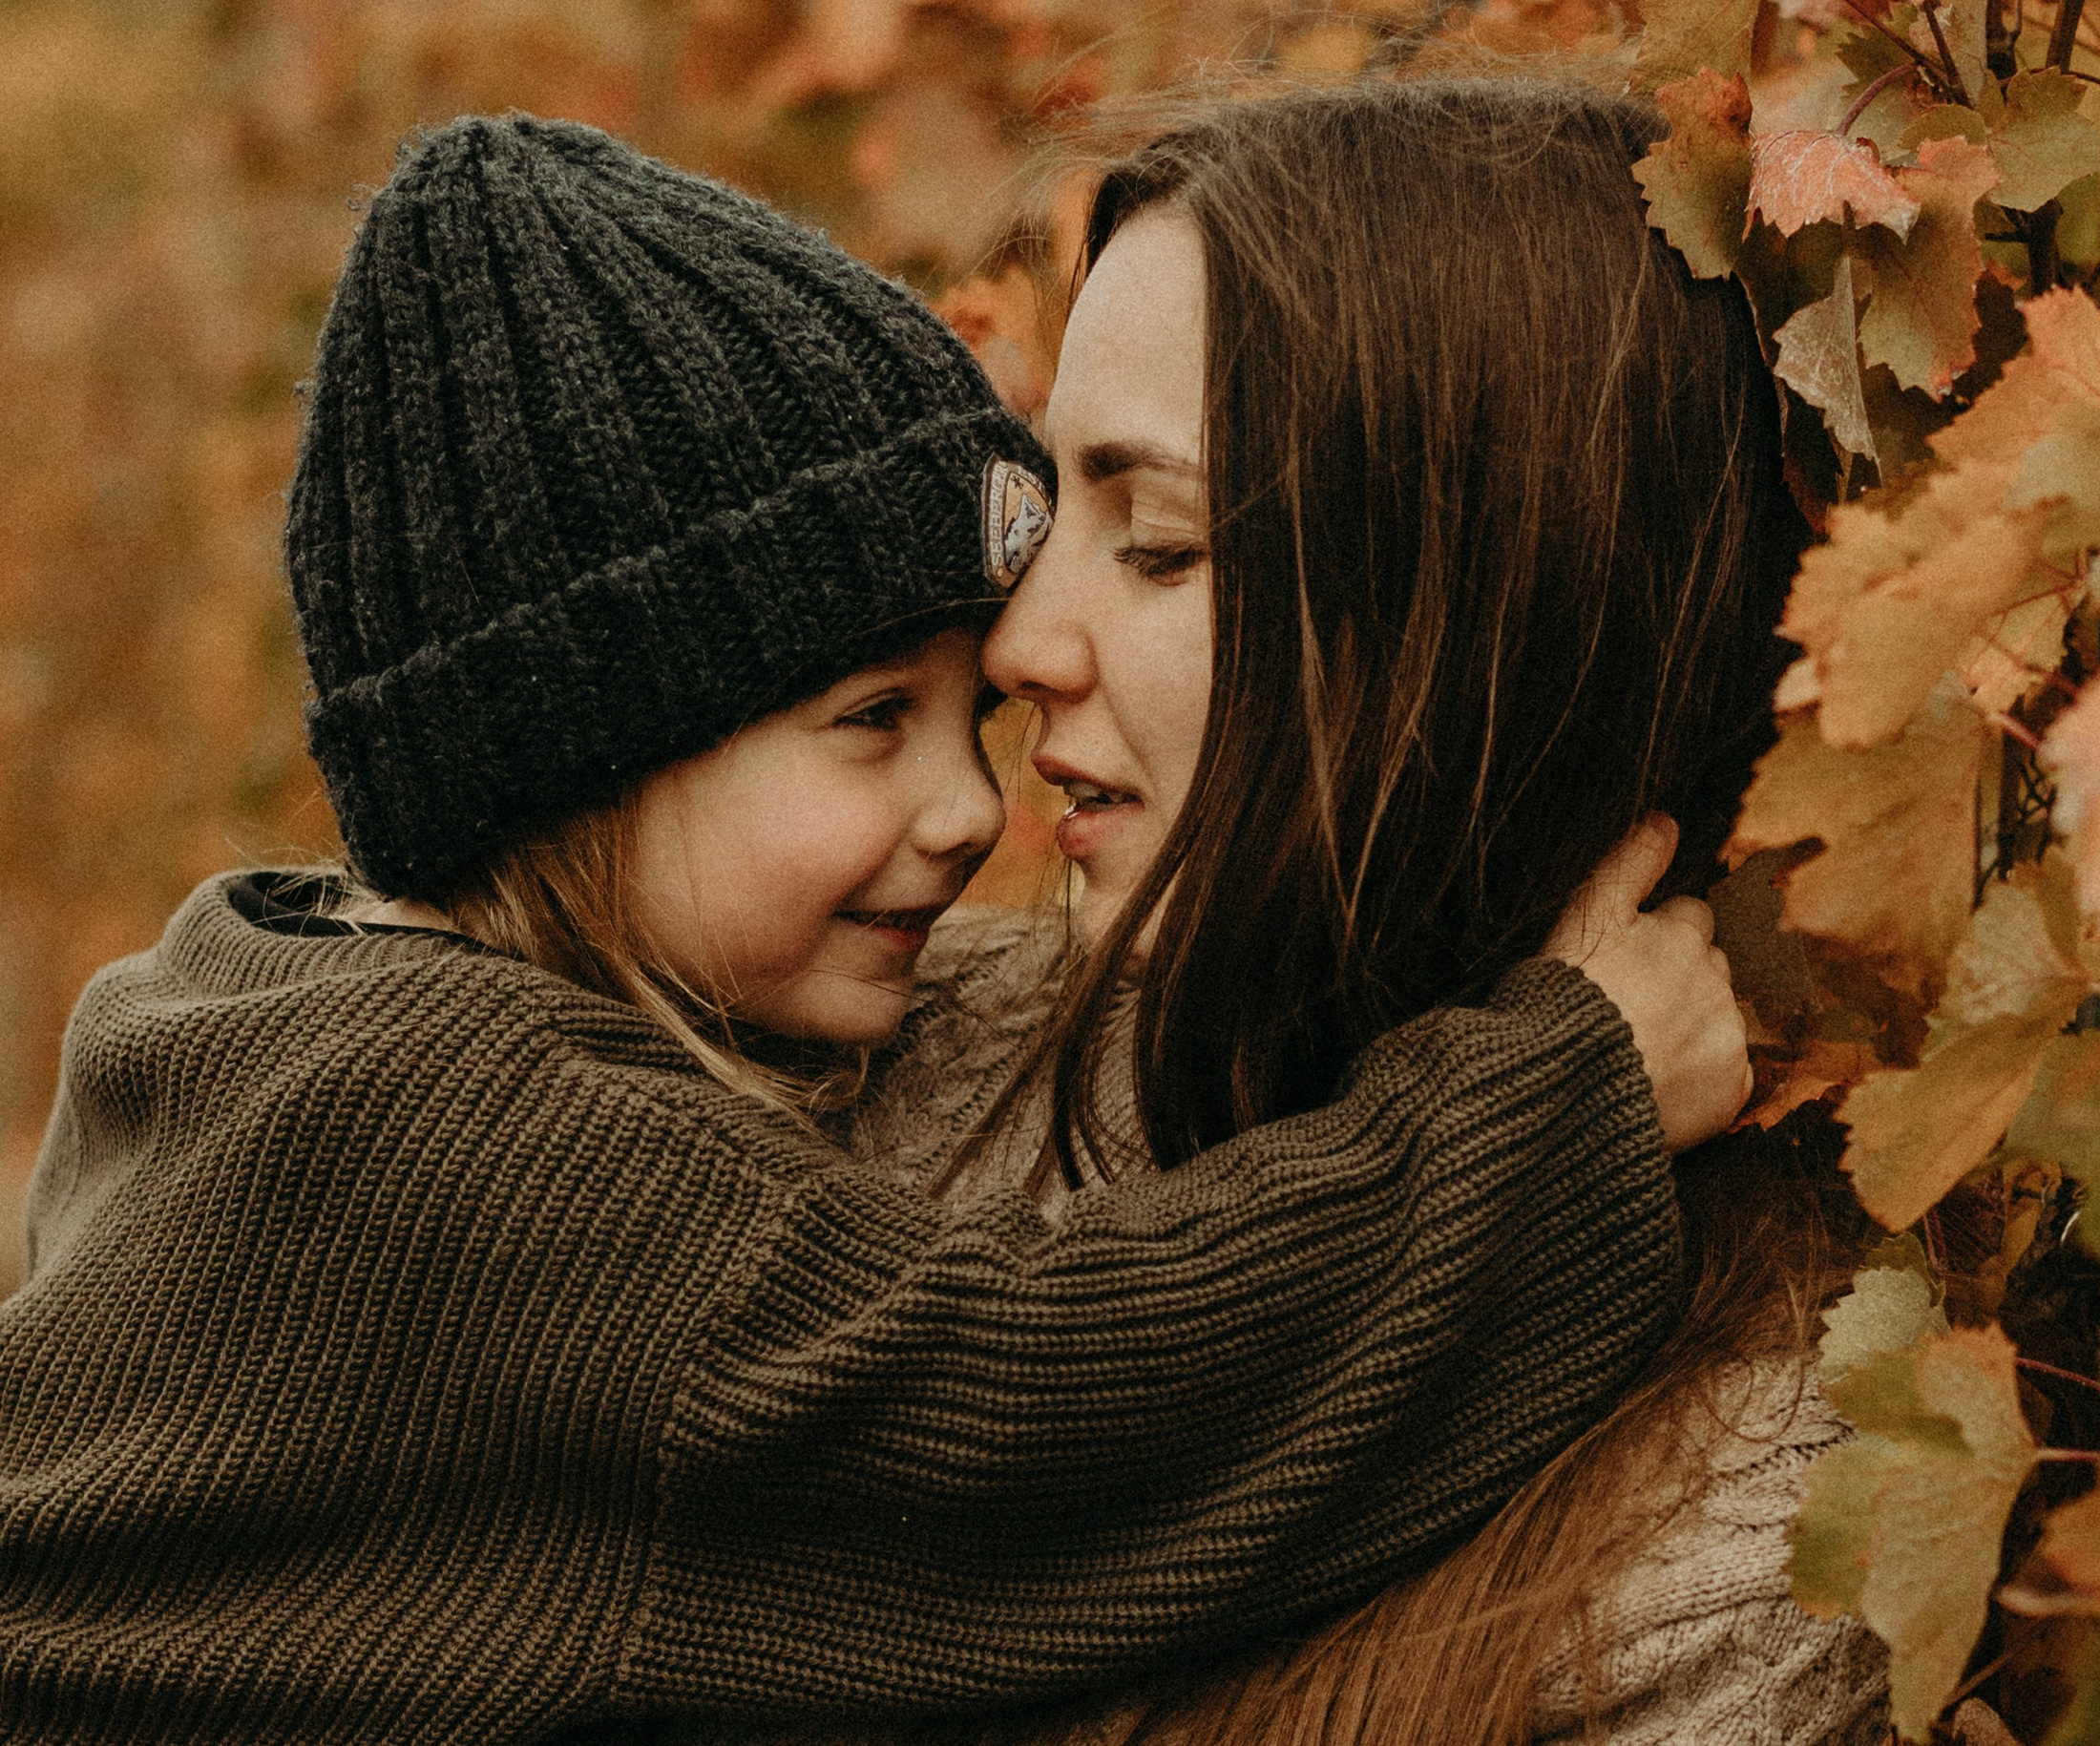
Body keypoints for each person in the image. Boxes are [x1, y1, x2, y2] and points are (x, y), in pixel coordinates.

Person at [0, 115, 1749, 1744]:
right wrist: (1561, 1100)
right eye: (865, 721)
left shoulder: (257, 1012)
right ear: (582, 759)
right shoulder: (487, 1163)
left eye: (963, 720)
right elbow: (1050, 1428)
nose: (973, 804)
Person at [849, 77, 1891, 1745]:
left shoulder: (1735, 1526)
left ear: (1475, 619)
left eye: (1164, 542)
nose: (1019, 643)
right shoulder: (898, 1065)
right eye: (1052, 519)